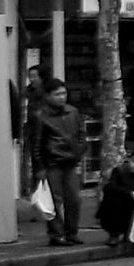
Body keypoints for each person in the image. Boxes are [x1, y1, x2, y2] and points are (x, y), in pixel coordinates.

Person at [31, 78, 87, 246]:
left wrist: (79, 150)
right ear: (48, 96)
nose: (62, 97)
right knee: (54, 200)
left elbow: (81, 133)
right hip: (52, 162)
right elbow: (36, 143)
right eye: (57, 94)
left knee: (74, 198)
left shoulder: (72, 112)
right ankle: (57, 233)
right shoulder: (40, 116)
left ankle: (71, 232)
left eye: (63, 93)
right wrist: (39, 167)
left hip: (70, 161)